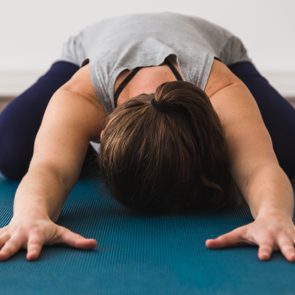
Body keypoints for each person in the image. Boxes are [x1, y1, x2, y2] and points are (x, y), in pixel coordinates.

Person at [0, 12, 294, 262]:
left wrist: (273, 215)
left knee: (288, 150)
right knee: (9, 149)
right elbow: (49, 167)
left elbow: (258, 166)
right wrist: (31, 215)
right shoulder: (81, 96)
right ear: (102, 133)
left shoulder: (220, 87)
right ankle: (78, 146)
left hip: (211, 42)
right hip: (94, 44)